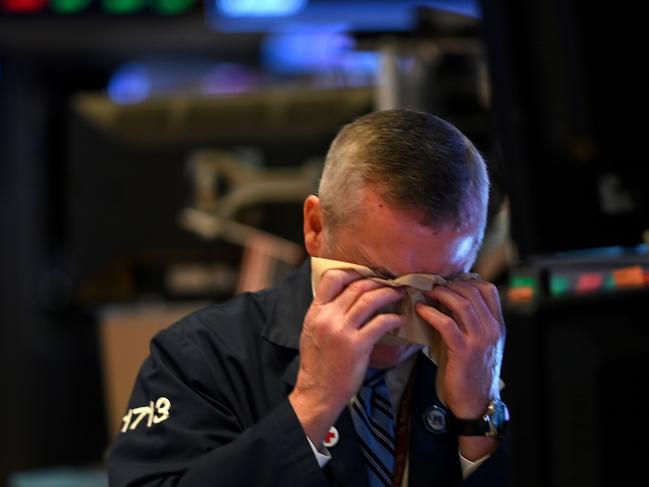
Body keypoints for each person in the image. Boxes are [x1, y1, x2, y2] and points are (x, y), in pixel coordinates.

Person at [107, 109, 508, 486]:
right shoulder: (201, 356)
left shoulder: (494, 349)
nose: (402, 320)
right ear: (315, 227)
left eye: (436, 283)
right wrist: (312, 405)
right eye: (379, 280)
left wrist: (478, 420)